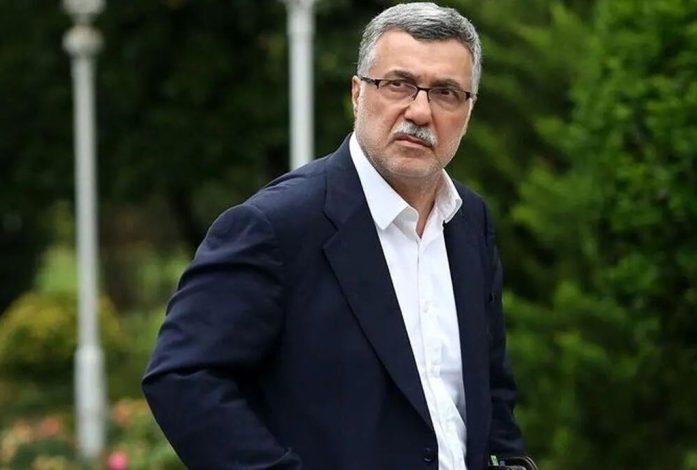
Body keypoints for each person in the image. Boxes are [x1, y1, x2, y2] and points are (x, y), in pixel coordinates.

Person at [143, 3, 536, 469]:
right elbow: (182, 377)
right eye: (398, 84)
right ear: (357, 93)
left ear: (468, 111)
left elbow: (490, 387)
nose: (419, 111)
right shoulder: (277, 226)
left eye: (446, 92)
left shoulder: (469, 221)